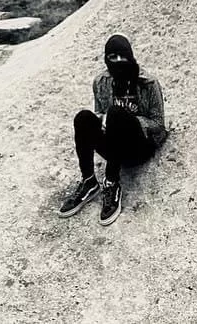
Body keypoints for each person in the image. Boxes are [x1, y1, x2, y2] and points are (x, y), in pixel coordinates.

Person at [58, 33, 167, 226]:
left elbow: (158, 124)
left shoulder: (148, 83)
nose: (117, 61)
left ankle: (111, 182)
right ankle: (89, 181)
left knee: (116, 113)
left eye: (122, 56)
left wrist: (129, 120)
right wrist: (102, 119)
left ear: (130, 57)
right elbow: (99, 111)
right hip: (114, 145)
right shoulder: (101, 82)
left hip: (139, 146)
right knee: (83, 117)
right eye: (112, 57)